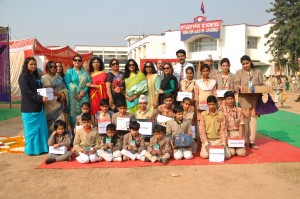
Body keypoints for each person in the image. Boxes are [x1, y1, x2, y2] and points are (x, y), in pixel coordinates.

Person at [18, 57, 48, 155]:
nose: (33, 66)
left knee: (41, 129)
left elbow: (38, 90)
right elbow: (26, 92)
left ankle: (42, 148)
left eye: (35, 64)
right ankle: (31, 150)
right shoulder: (23, 77)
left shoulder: (36, 76)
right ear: (26, 65)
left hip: (39, 107)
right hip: (29, 108)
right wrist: (40, 98)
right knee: (30, 131)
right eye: (31, 64)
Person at [234, 55, 263, 149]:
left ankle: (251, 141)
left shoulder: (258, 72)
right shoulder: (238, 73)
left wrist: (261, 88)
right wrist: (239, 87)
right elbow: (235, 85)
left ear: (250, 62)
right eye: (243, 64)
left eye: (247, 63)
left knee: (253, 121)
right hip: (244, 100)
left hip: (255, 100)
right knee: (245, 121)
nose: (245, 65)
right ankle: (245, 140)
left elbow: (262, 84)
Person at [41, 61, 69, 133]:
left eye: (54, 67)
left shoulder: (58, 77)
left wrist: (63, 95)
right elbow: (49, 91)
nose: (53, 68)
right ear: (47, 68)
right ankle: (51, 139)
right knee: (52, 125)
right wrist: (60, 95)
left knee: (61, 122)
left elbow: (64, 88)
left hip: (60, 102)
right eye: (51, 67)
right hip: (50, 104)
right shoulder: (45, 78)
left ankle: (61, 139)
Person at [64, 55, 92, 128]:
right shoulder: (69, 71)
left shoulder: (85, 72)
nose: (77, 61)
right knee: (74, 116)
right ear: (73, 61)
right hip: (74, 97)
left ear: (81, 62)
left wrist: (84, 92)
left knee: (85, 114)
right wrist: (79, 92)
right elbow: (68, 83)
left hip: (84, 96)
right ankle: (75, 133)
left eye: (79, 60)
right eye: (75, 60)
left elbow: (89, 82)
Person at [223, 91, 246, 157]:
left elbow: (241, 124)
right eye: (228, 99)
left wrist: (240, 137)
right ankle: (233, 148)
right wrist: (226, 137)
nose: (230, 101)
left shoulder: (239, 110)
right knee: (231, 153)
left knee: (241, 153)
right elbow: (222, 127)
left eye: (231, 98)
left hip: (237, 132)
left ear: (234, 99)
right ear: (225, 100)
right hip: (228, 133)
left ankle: (238, 148)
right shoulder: (222, 111)